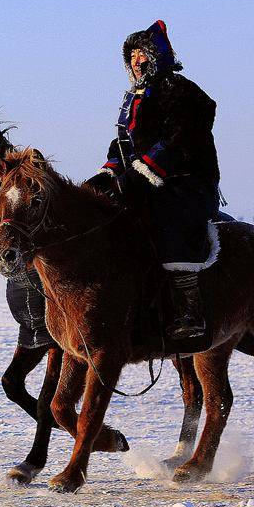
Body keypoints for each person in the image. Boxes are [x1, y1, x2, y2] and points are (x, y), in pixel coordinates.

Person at [85, 20, 220, 340]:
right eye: (130, 56)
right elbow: (122, 143)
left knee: (166, 221)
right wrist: (109, 172)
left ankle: (191, 310)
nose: (136, 61)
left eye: (141, 53)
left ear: (157, 56)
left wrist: (143, 170)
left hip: (187, 182)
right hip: (142, 182)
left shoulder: (182, 91)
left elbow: (181, 138)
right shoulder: (134, 97)